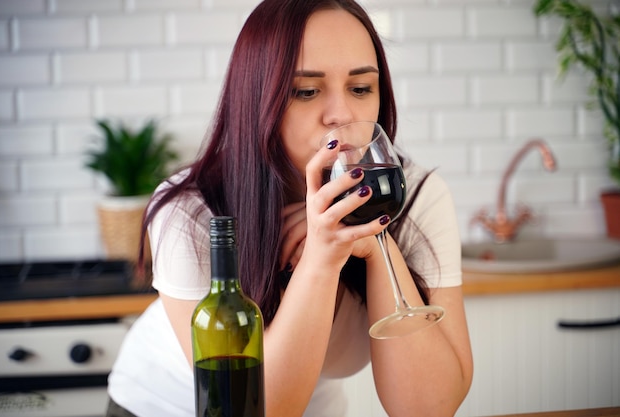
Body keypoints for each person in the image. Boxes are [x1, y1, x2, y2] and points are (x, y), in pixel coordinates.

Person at [106, 0, 473, 416]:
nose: (342, 114)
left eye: (360, 88)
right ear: (257, 100)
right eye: (306, 91)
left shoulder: (415, 195)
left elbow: (428, 407)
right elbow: (253, 410)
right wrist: (321, 258)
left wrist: (375, 244)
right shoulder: (193, 212)